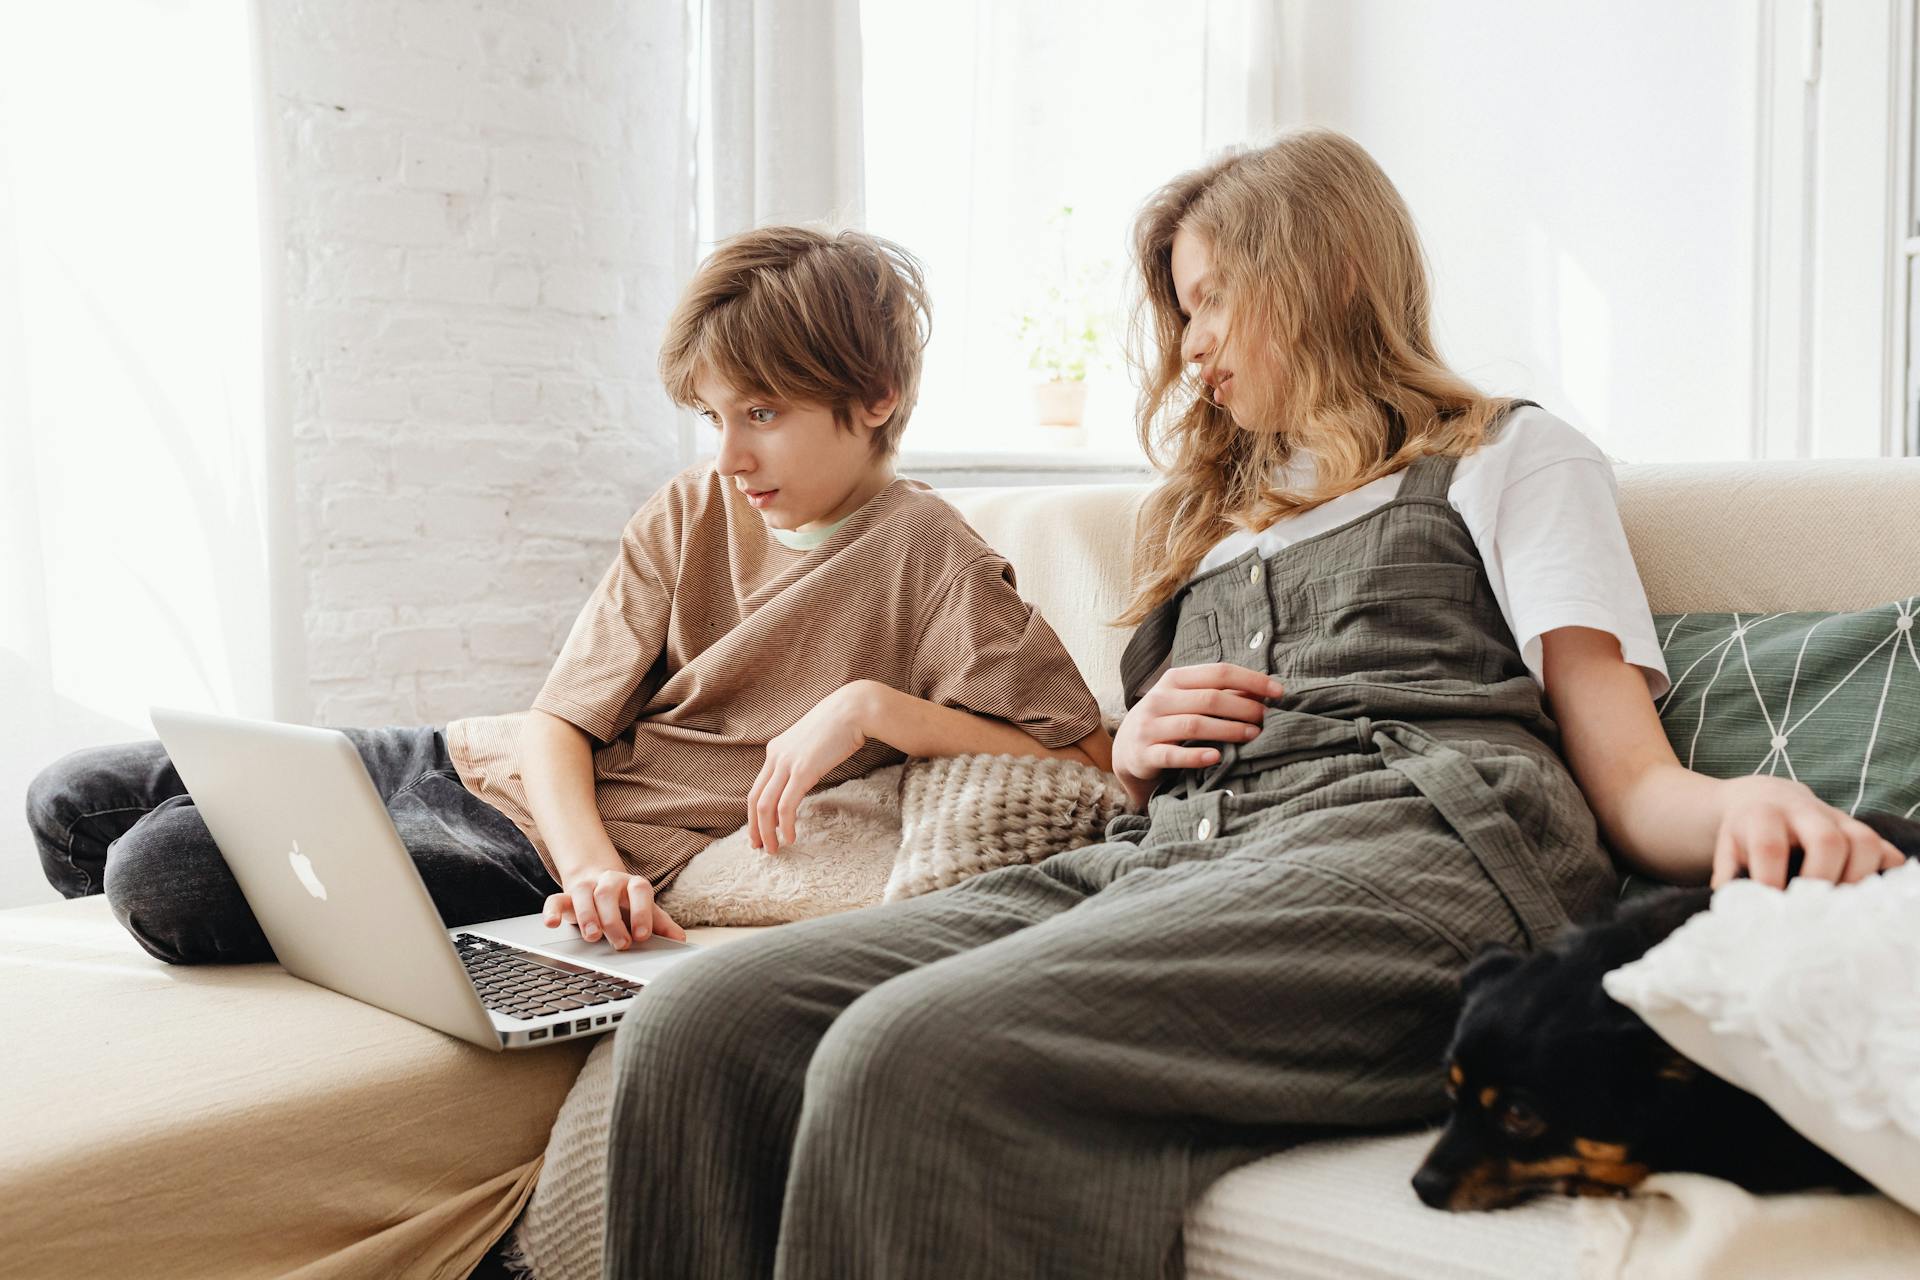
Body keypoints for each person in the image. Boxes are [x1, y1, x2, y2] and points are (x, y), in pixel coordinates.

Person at [595, 128, 1913, 1280]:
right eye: (1180, 308)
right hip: (1168, 861)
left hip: (1413, 849)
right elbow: (1112, 779)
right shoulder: (1211, 523)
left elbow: (1625, 773)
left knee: (910, 1059)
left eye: (1215, 298)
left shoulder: (1510, 454)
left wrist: (1750, 807)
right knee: (699, 1027)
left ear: (1330, 272)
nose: (1193, 341)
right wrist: (1139, 751)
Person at [24, 224, 1111, 964]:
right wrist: (594, 867)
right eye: (713, 415)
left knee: (158, 870)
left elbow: (1088, 762)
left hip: (514, 852)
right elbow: (558, 721)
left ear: (876, 398)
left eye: (764, 413)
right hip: (480, 764)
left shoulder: (928, 554)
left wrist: (874, 708)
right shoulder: (691, 506)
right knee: (68, 798)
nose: (730, 455)